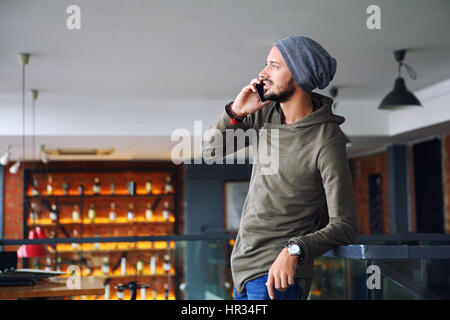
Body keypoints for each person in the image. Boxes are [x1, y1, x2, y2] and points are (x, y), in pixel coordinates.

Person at [202, 36, 359, 300]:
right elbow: (210, 151)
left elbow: (344, 225)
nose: (262, 74)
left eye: (274, 66)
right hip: (244, 270)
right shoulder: (267, 114)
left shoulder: (327, 140)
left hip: (277, 278)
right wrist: (237, 112)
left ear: (299, 74)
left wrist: (294, 250)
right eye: (266, 64)